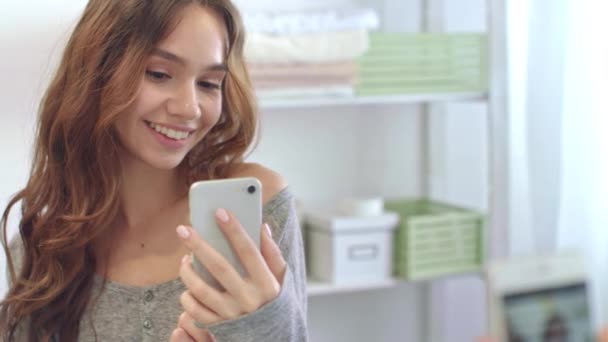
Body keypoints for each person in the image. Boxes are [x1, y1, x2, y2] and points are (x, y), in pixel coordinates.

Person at [0, 1, 308, 341]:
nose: (189, 107)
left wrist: (265, 327)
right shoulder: (45, 242)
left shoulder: (260, 208)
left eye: (208, 83)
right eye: (159, 74)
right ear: (97, 70)